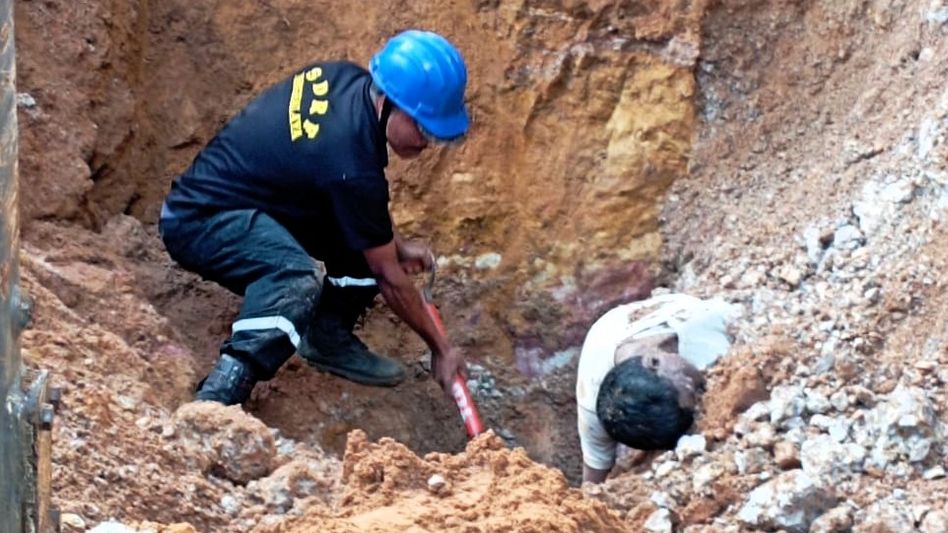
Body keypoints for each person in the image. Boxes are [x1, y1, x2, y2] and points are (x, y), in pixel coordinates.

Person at [158, 30, 469, 405]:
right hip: (199, 220)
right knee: (294, 278)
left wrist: (396, 245)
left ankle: (326, 340)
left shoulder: (345, 79)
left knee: (363, 246)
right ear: (388, 102)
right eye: (422, 127)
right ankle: (219, 395)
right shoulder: (351, 164)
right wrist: (440, 348)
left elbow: (352, 197)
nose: (425, 142)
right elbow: (389, 276)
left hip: (252, 197)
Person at [576, 292, 739, 483]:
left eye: (687, 382)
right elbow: (594, 474)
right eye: (693, 392)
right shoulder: (594, 403)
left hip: (662, 314)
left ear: (654, 361)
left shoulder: (712, 327)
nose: (697, 385)